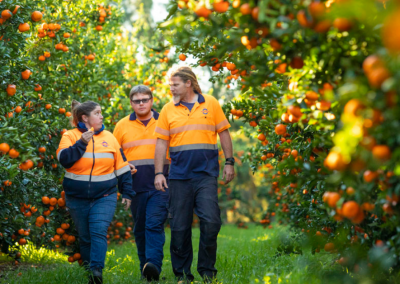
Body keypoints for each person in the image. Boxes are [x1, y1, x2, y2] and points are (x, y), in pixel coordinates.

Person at [154, 66, 235, 283]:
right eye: (170, 84)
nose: (171, 88)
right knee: (179, 227)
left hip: (206, 175)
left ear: (188, 83)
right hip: (179, 176)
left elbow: (224, 133)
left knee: (211, 221)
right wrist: (159, 173)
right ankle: (182, 275)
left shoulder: (211, 103)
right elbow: (161, 143)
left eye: (175, 84)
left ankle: (207, 272)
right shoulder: (167, 110)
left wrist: (229, 162)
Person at [56, 100, 135, 284]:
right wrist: (81, 143)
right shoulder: (70, 136)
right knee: (85, 237)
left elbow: (122, 167)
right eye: (97, 113)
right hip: (76, 198)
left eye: (101, 113)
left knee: (98, 231)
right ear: (85, 117)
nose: (101, 116)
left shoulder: (109, 137)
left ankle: (96, 272)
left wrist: (127, 192)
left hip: (104, 196)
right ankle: (88, 272)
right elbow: (64, 159)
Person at [113, 85, 169, 282]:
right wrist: (124, 166)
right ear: (131, 103)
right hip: (136, 186)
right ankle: (146, 270)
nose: (141, 103)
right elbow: (114, 156)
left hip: (160, 183)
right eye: (137, 101)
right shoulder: (121, 126)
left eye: (145, 99)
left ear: (152, 101)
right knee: (140, 228)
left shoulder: (164, 120)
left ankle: (153, 263)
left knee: (154, 223)